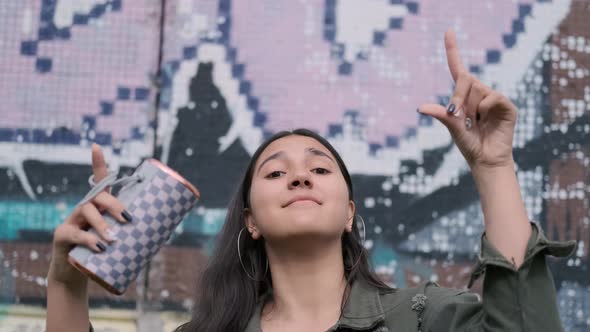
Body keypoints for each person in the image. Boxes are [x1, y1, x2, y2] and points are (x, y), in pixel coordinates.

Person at [46, 29, 576, 332]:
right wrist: (66, 282)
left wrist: (493, 167)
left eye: (320, 168)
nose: (300, 174)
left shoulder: (421, 318)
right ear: (251, 221)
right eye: (276, 171)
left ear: (349, 213)